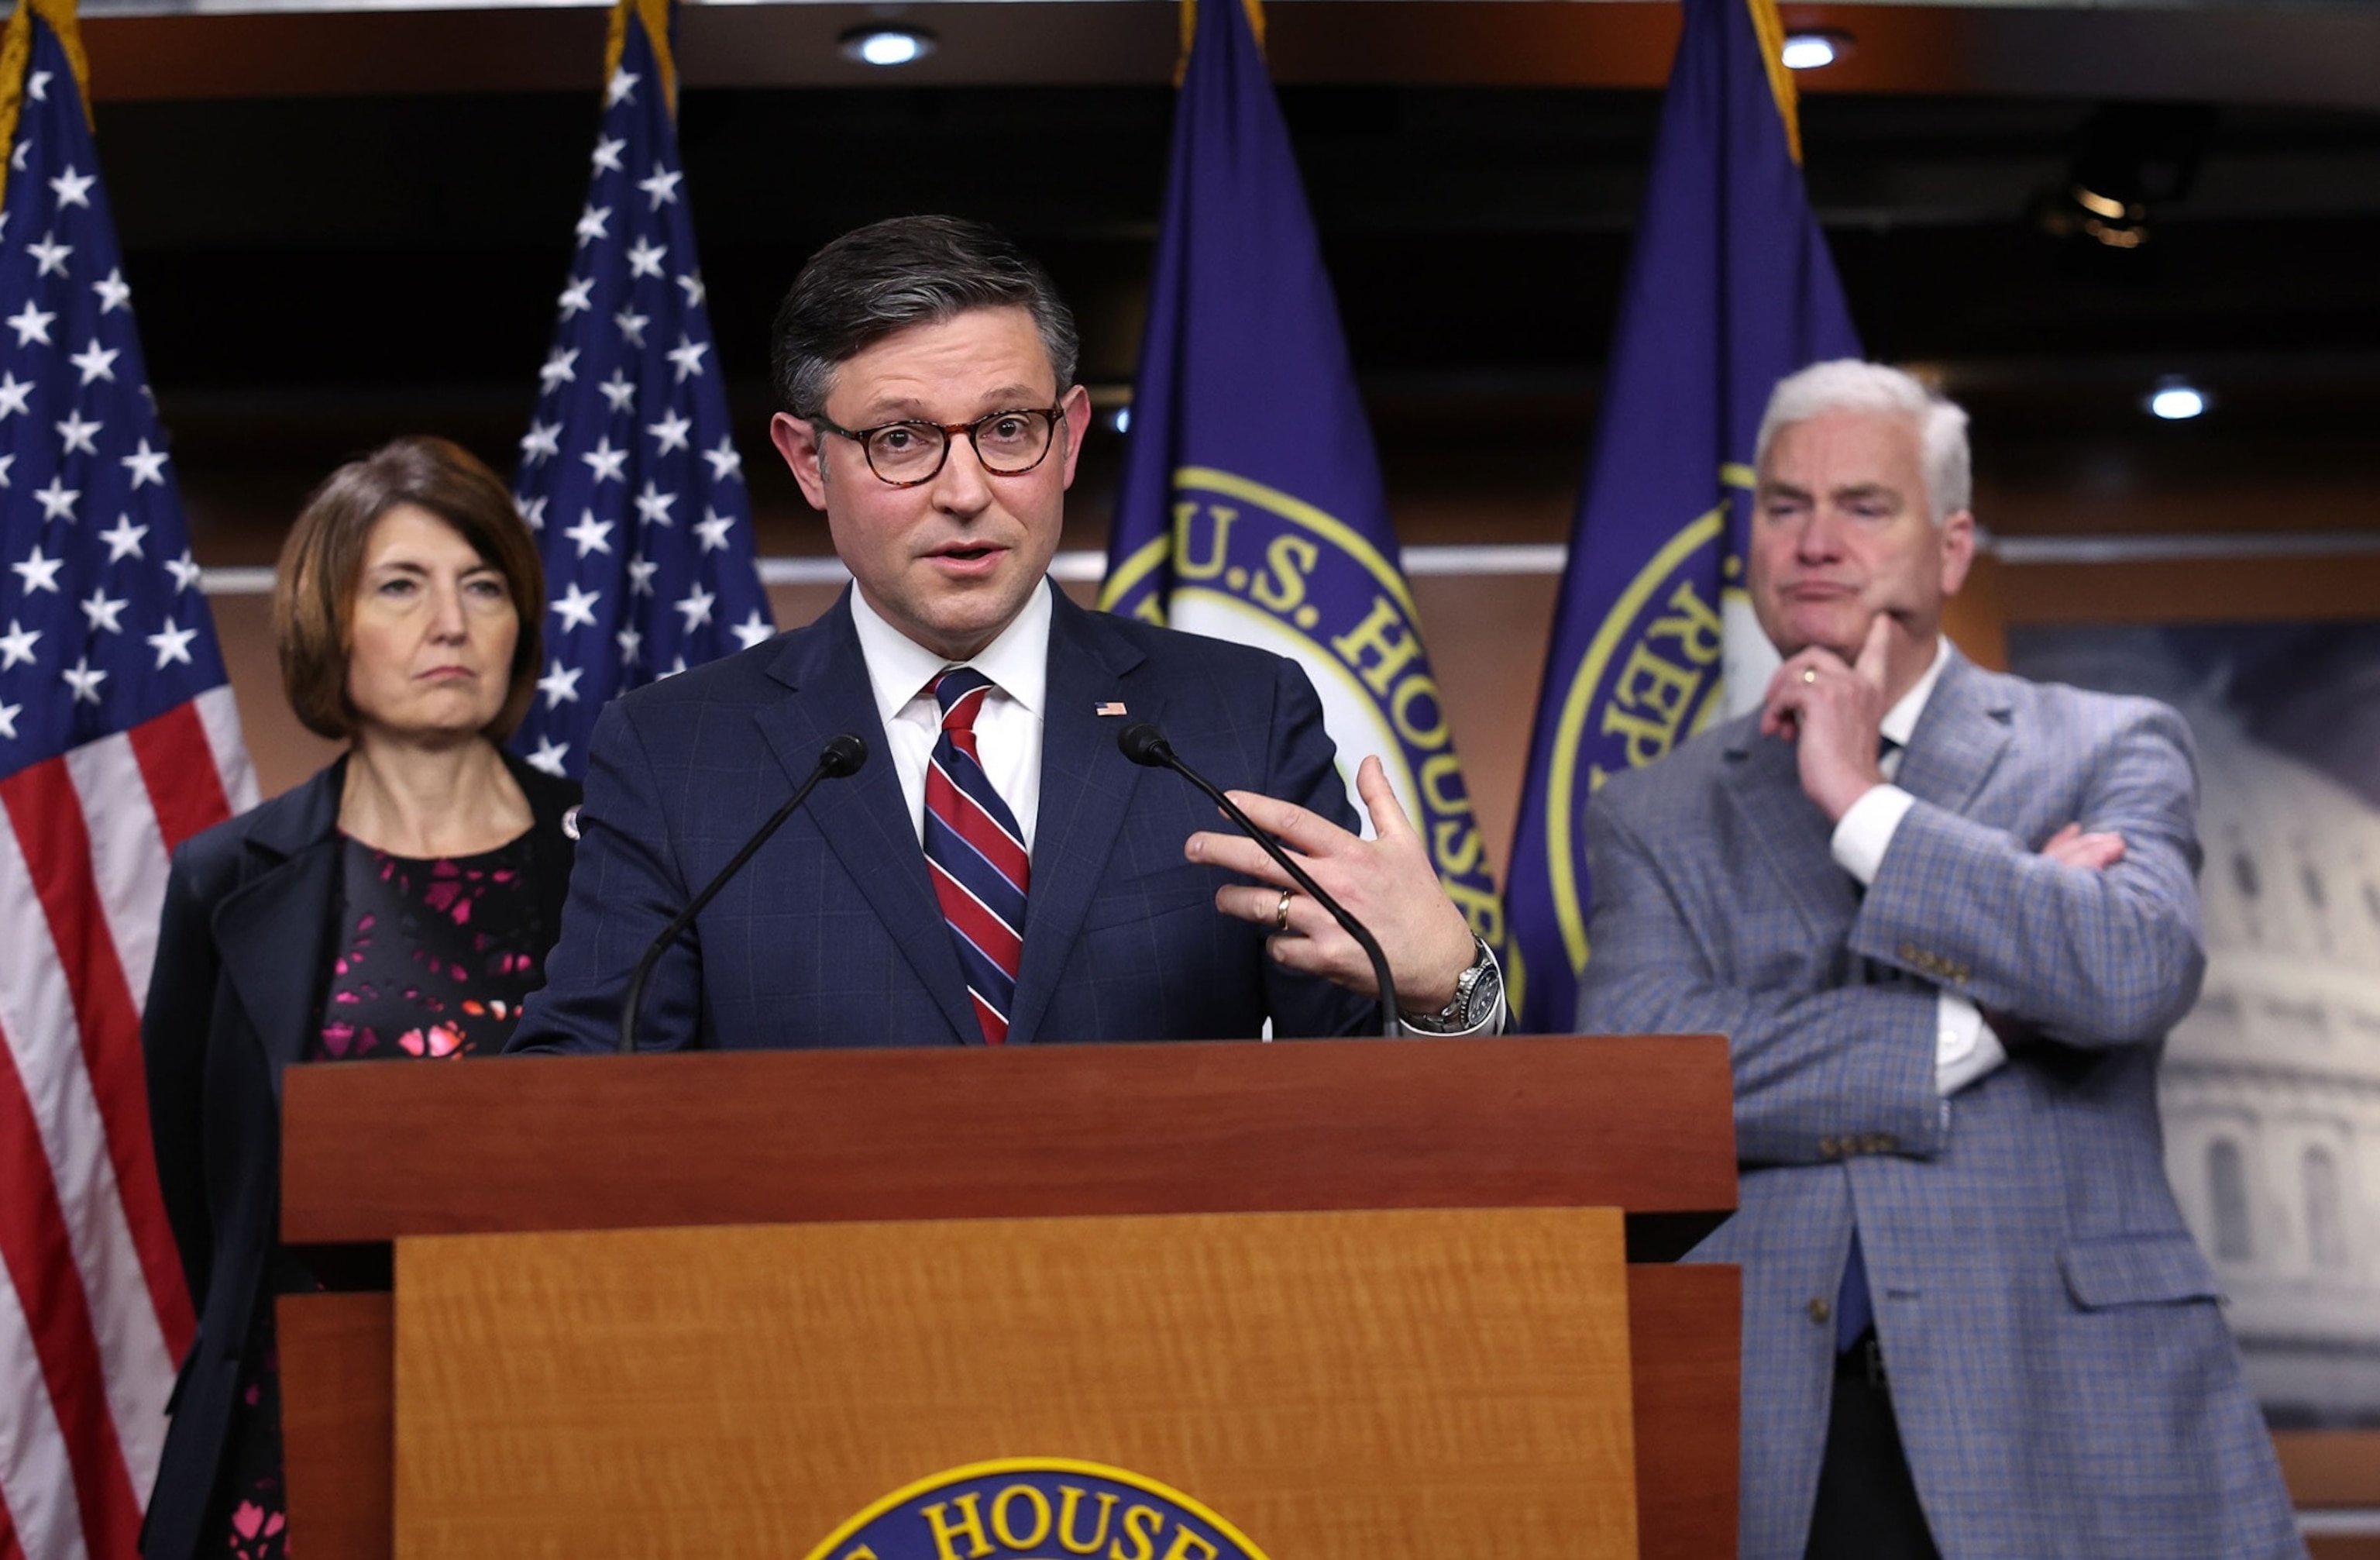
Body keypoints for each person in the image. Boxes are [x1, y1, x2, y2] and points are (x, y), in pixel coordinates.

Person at [1575, 362, 2302, 1559]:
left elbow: (2129, 971)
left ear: (1952, 547)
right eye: (1784, 506)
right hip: (1777, 1435)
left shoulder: (2106, 744)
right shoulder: (1652, 811)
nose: (1815, 542)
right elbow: (1643, 1077)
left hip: (2071, 1403)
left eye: (1864, 506)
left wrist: (1863, 808)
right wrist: (1979, 1024)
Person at [509, 215, 1501, 1055]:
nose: (966, 491)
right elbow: (579, 1088)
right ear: (808, 461)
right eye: (901, 439)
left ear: (1068, 437)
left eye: (1007, 429)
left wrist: (1440, 984)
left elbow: (1366, 1094)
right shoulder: (681, 751)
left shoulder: (1235, 717)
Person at [139, 439, 580, 1560]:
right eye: (402, 586)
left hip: (563, 1408)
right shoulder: (226, 877)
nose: (453, 622)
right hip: (296, 1423)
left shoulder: (618, 859)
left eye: (484, 587)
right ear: (329, 625)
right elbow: (209, 1196)